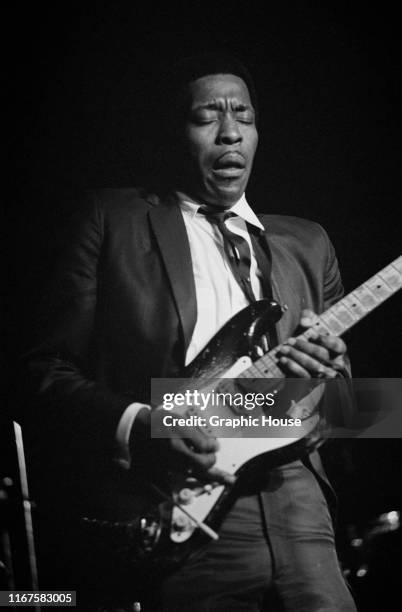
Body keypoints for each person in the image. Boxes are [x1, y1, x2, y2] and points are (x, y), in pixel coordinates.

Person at [23, 55, 357, 611]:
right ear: (176, 132)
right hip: (172, 504)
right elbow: (41, 371)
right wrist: (151, 423)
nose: (230, 132)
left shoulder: (309, 242)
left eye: (244, 117)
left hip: (300, 506)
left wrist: (332, 393)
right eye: (208, 117)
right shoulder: (114, 218)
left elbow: (351, 412)